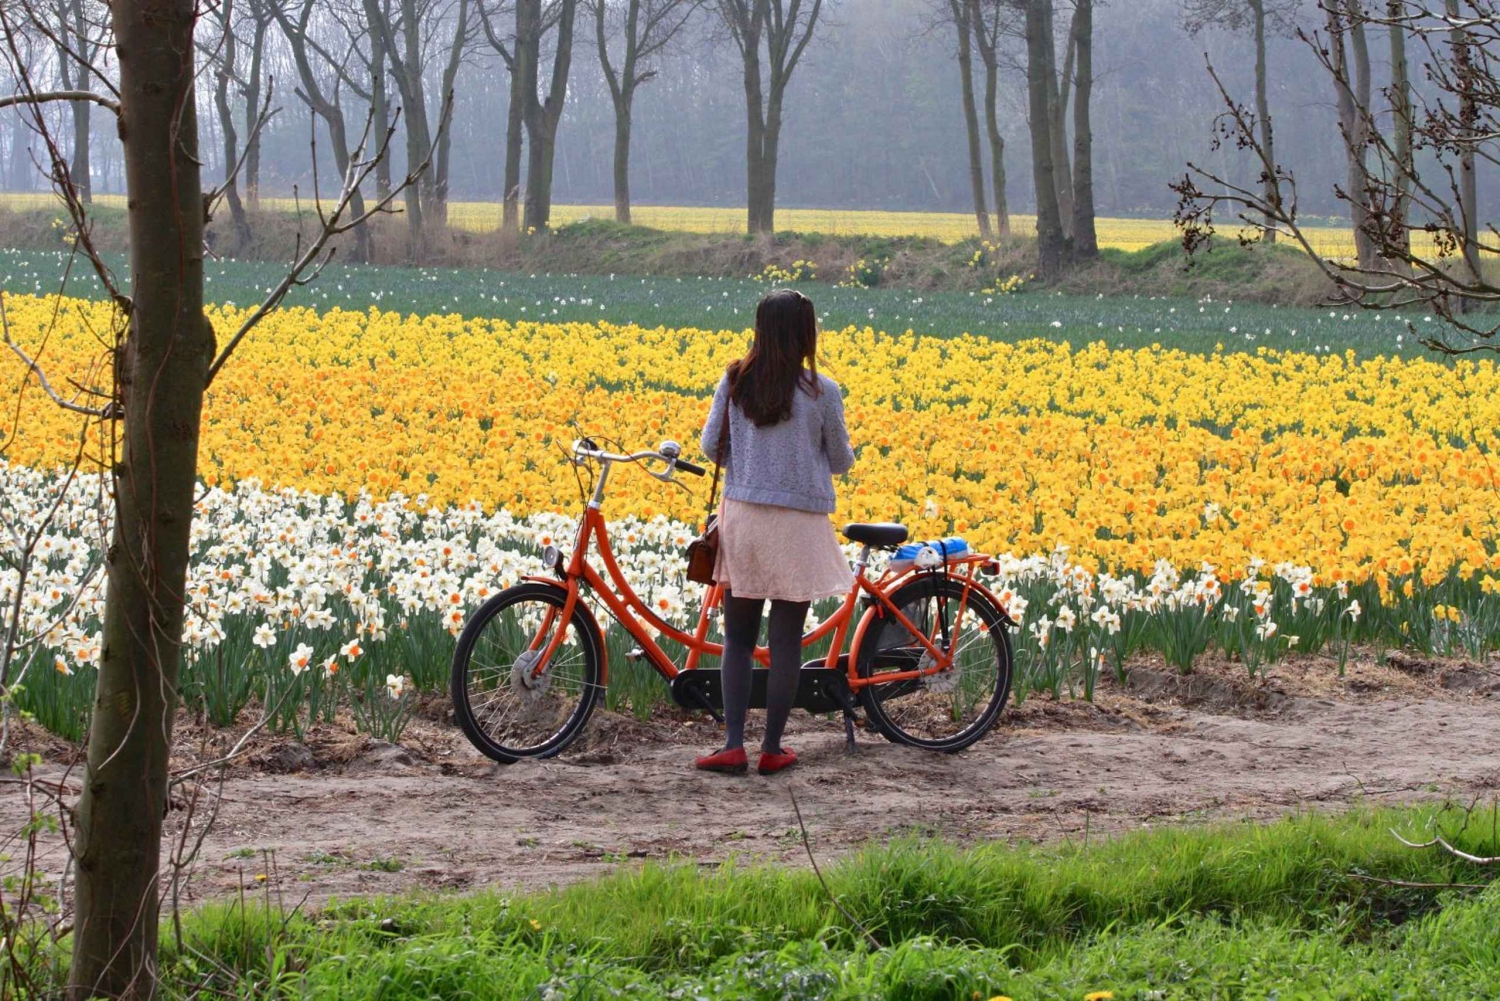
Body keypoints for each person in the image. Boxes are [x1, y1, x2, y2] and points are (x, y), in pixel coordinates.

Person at [695, 288, 855, 776]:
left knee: (738, 639)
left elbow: (710, 448)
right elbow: (842, 460)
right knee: (785, 641)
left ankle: (731, 745)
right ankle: (772, 749)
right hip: (798, 524)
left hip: (744, 518)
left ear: (760, 329)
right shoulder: (822, 391)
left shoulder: (735, 382)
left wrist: (752, 457)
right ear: (807, 333)